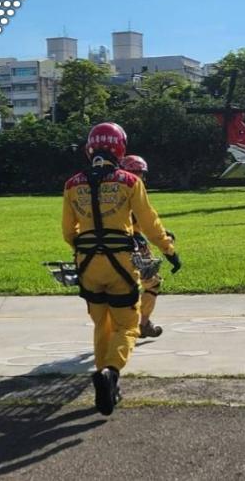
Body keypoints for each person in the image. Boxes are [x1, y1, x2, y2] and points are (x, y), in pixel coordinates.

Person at [62, 123, 181, 416]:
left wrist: (86, 249)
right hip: (121, 265)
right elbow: (150, 223)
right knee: (128, 325)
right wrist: (169, 249)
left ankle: (106, 384)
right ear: (120, 147)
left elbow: (68, 231)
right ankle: (111, 373)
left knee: (101, 325)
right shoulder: (129, 181)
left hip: (87, 265)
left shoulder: (71, 184)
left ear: (90, 147)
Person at [119, 154, 166, 338]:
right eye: (137, 173)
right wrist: (164, 240)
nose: (140, 178)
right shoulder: (133, 190)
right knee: (152, 282)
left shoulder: (110, 191)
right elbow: (145, 220)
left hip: (109, 244)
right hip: (135, 243)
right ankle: (143, 323)